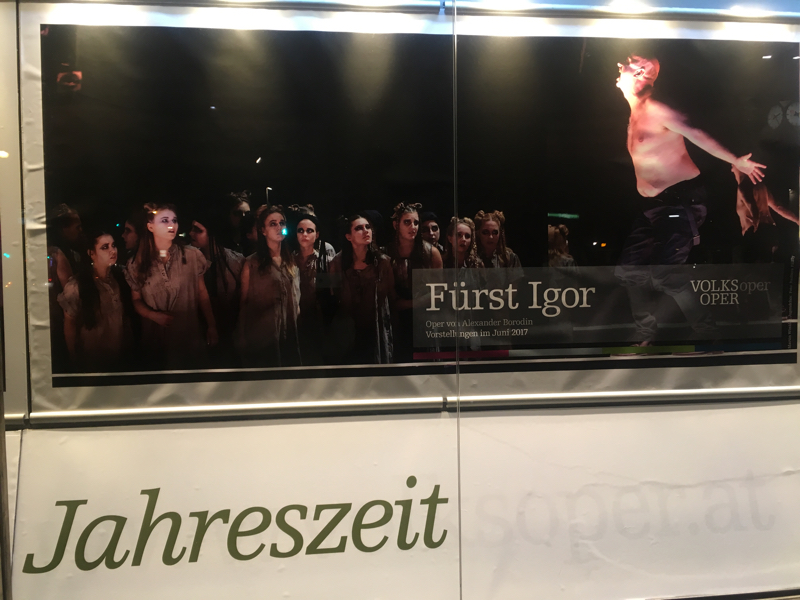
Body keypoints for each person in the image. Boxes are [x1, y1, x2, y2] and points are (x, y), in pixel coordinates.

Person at [613, 54, 765, 345]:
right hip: (653, 207)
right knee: (629, 271)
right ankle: (646, 334)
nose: (620, 65)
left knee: (666, 275)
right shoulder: (634, 115)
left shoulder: (656, 108)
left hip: (680, 202)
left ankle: (709, 337)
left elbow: (695, 133)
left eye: (628, 61)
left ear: (641, 72)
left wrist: (735, 160)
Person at [125, 203, 217, 369]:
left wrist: (211, 325)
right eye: (165, 220)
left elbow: (202, 293)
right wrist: (153, 315)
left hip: (188, 336)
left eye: (174, 220)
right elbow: (136, 300)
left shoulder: (192, 255)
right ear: (150, 226)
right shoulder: (137, 263)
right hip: (156, 341)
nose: (171, 225)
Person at [58, 229, 134, 372]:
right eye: (105, 247)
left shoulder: (118, 278)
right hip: (92, 359)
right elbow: (70, 323)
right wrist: (73, 357)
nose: (112, 250)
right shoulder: (78, 285)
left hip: (119, 356)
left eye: (113, 245)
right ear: (91, 253)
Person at [238, 205, 301, 367]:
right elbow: (244, 302)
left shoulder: (291, 261)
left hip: (288, 332)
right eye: (273, 224)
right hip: (263, 335)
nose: (279, 227)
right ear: (263, 230)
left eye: (282, 223)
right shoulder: (252, 263)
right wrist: (241, 334)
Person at [330, 214, 395, 364]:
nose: (366, 231)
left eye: (368, 227)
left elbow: (391, 297)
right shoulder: (337, 263)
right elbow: (333, 297)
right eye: (359, 228)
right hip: (347, 332)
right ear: (348, 236)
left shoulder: (383, 262)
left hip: (375, 330)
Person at [385, 203, 443, 362]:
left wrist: (413, 303)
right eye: (407, 222)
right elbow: (387, 294)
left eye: (416, 222)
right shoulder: (387, 253)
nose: (413, 227)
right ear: (396, 225)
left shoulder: (431, 253)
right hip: (396, 319)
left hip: (425, 318)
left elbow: (439, 292)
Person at [189, 206, 245, 365]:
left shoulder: (235, 261)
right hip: (200, 330)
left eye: (198, 230)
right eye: (192, 229)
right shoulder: (190, 261)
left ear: (212, 233)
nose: (191, 233)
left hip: (231, 329)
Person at [47, 204, 87, 371]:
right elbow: (71, 300)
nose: (81, 230)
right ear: (63, 228)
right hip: (60, 326)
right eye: (77, 226)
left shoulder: (53, 252)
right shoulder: (57, 254)